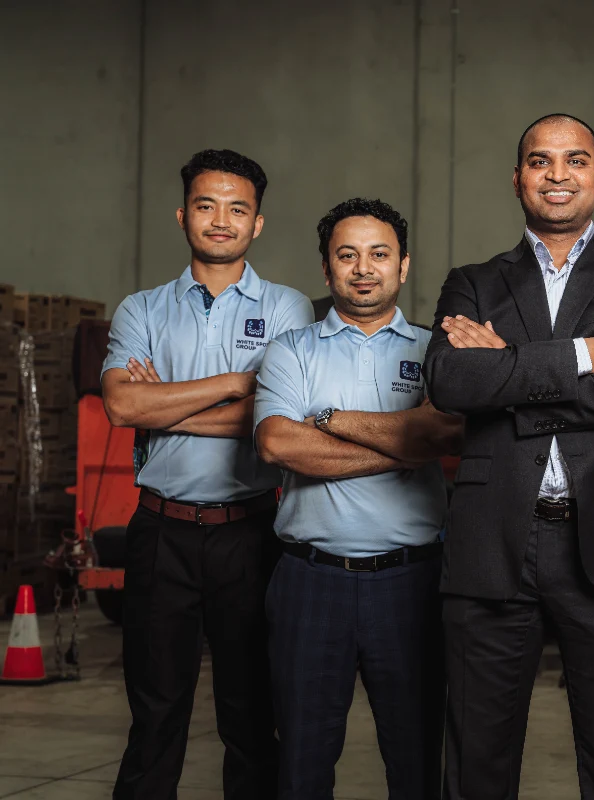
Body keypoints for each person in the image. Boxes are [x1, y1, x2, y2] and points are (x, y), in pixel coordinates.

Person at [425, 113, 594, 800]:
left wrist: (507, 374)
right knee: (477, 759)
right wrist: (585, 356)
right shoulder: (473, 283)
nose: (558, 175)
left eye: (575, 161)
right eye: (541, 162)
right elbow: (451, 383)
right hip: (493, 538)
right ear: (518, 180)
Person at [102, 149, 314, 799]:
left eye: (237, 208)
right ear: (182, 215)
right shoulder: (141, 309)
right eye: (205, 205)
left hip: (251, 534)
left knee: (251, 716)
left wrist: (167, 405)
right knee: (155, 713)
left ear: (257, 224)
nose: (220, 220)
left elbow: (283, 423)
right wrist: (235, 387)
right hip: (160, 531)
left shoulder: (288, 309)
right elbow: (121, 404)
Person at [254, 198, 462, 799]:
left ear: (403, 266)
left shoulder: (433, 351)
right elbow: (276, 443)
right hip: (309, 583)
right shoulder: (292, 350)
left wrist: (330, 419)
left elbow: (448, 433)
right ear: (326, 270)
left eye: (379, 254)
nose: (364, 268)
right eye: (347, 256)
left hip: (412, 584)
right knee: (301, 763)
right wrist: (406, 444)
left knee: (418, 760)